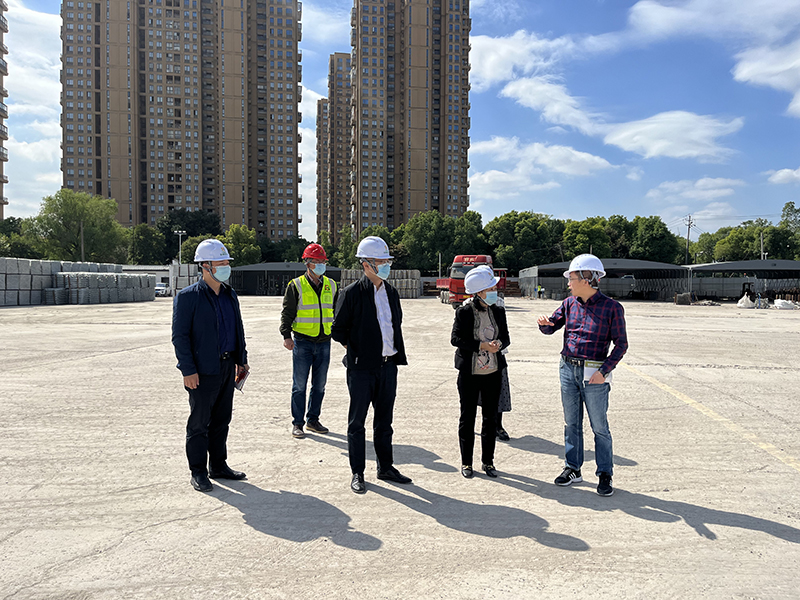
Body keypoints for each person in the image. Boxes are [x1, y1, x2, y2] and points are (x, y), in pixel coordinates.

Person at [537, 254, 628, 497]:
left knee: (599, 426)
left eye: (572, 278)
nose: (568, 283)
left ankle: (605, 473)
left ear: (587, 279)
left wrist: (604, 371)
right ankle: (573, 468)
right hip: (568, 369)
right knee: (572, 423)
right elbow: (551, 327)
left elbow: (621, 345)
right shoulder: (569, 304)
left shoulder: (612, 308)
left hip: (594, 373)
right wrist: (544, 324)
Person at [331, 236, 412, 494]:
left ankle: (385, 467)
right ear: (366, 264)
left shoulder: (392, 293)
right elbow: (338, 330)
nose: (387, 266)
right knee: (357, 423)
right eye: (381, 261)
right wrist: (357, 350)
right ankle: (357, 472)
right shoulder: (351, 293)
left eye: (388, 261)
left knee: (384, 422)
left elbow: (394, 325)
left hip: (388, 367)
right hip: (361, 369)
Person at [172, 239, 249, 492]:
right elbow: (180, 336)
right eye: (221, 263)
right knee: (199, 423)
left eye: (227, 262)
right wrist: (188, 370)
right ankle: (198, 471)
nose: (226, 267)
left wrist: (242, 359)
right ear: (205, 266)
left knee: (222, 419)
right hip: (202, 370)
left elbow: (237, 329)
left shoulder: (230, 294)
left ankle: (218, 465)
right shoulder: (188, 297)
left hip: (227, 366)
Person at [451, 265, 511, 479]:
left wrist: (498, 344)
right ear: (479, 291)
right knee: (468, 417)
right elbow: (456, 339)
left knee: (490, 418)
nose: (495, 291)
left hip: (493, 372)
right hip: (469, 373)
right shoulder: (464, 312)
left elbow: (506, 337)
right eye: (491, 288)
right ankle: (467, 462)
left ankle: (488, 461)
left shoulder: (498, 310)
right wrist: (481, 346)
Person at [280, 243, 339, 439]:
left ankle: (313, 420)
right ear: (307, 263)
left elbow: (337, 313)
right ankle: (298, 423)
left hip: (324, 341)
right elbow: (287, 313)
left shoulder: (332, 285)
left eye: (323, 261)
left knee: (320, 385)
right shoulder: (296, 285)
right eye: (316, 261)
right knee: (299, 385)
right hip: (302, 341)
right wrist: (286, 335)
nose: (321, 265)